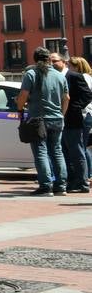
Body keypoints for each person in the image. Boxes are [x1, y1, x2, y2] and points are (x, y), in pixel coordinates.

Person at [17, 47, 69, 196]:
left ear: (35, 59)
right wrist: (62, 115)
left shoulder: (31, 74)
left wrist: (20, 108)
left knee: (41, 152)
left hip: (39, 119)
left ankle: (46, 186)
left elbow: (23, 95)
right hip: (57, 118)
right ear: (49, 59)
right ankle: (61, 186)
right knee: (57, 152)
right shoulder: (60, 76)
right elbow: (67, 98)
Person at [64, 56, 92, 194]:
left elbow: (87, 94)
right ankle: (76, 179)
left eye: (70, 64)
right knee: (77, 148)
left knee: (79, 148)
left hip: (80, 116)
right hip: (75, 116)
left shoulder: (79, 77)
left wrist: (76, 107)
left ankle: (82, 180)